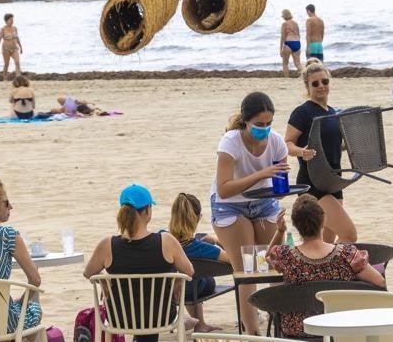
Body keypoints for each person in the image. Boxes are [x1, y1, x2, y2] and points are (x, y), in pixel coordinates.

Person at [210, 91, 289, 335]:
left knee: (273, 264)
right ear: (246, 122)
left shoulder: (276, 142)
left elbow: (281, 189)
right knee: (248, 270)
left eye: (268, 124)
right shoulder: (231, 142)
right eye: (258, 125)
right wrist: (260, 175)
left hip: (264, 203)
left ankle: (280, 326)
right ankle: (252, 333)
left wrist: (280, 187)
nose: (264, 129)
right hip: (230, 205)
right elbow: (224, 189)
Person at [83, 184, 198, 342]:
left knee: (134, 308)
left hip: (120, 319)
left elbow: (88, 273)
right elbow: (189, 271)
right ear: (148, 210)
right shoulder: (166, 241)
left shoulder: (107, 245)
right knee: (153, 309)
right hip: (161, 318)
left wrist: (103, 279)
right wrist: (177, 279)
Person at [267, 194, 386, 337]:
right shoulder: (347, 254)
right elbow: (380, 282)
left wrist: (280, 231)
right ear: (324, 220)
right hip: (338, 329)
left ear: (295, 224)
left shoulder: (285, 256)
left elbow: (268, 257)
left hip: (299, 330)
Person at [285, 59, 358, 243]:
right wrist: (302, 151)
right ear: (307, 86)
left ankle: (325, 271)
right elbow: (287, 144)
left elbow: (332, 146)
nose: (321, 86)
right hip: (313, 181)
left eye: (324, 81)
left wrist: (350, 147)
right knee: (349, 234)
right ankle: (335, 269)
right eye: (315, 83)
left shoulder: (333, 112)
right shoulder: (302, 112)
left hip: (334, 181)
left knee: (323, 245)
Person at [166, 192, 230, 332]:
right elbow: (233, 260)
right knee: (198, 278)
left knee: (187, 279)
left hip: (168, 293)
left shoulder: (162, 238)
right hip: (193, 289)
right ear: (198, 218)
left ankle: (199, 324)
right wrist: (217, 241)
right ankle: (200, 325)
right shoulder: (200, 247)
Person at [0, 179, 42, 334]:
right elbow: (35, 280)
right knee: (34, 309)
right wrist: (24, 301)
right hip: (1, 320)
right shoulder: (8, 235)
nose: (10, 207)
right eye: (6, 203)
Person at [0, 13, 23, 81]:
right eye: (10, 19)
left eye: (12, 19)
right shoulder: (3, 29)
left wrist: (21, 47)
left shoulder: (14, 28)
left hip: (14, 49)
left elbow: (17, 38)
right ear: (6, 21)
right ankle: (5, 79)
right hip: (6, 49)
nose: (12, 21)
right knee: (6, 64)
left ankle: (18, 78)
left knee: (17, 62)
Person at [279, 9, 303, 77]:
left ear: (284, 16)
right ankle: (305, 74)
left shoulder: (284, 24)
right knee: (297, 63)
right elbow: (299, 35)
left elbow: (283, 37)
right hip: (297, 43)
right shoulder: (296, 23)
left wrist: (280, 49)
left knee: (285, 63)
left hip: (289, 43)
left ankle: (287, 79)